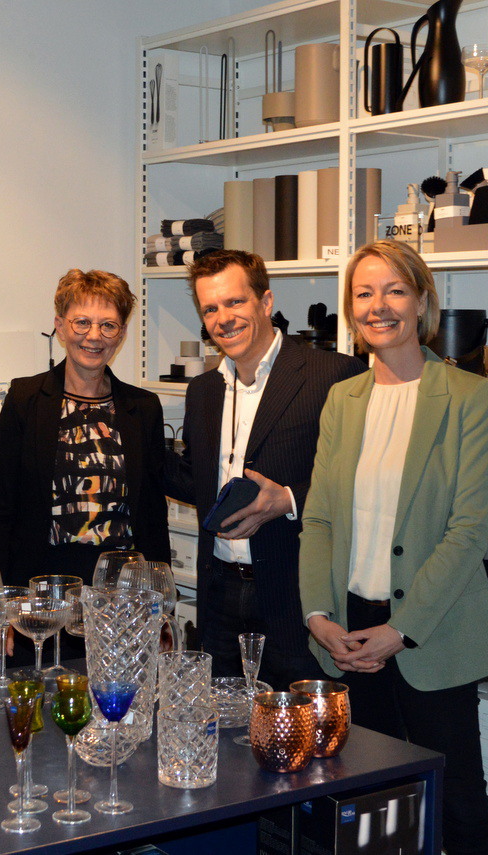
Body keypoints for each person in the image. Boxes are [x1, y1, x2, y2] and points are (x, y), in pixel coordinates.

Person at [299, 240, 488, 855]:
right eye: (364, 293)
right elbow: (319, 519)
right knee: (371, 812)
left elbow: (468, 531)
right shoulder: (343, 399)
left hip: (429, 632)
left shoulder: (468, 396)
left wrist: (402, 629)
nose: (379, 306)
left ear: (421, 303)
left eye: (394, 290)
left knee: (460, 807)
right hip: (349, 634)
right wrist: (319, 618)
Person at [165, 249, 364, 689]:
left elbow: (360, 479)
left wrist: (289, 500)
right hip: (219, 598)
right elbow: (199, 484)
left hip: (298, 597)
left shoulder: (333, 374)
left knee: (307, 729)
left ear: (266, 301)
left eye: (235, 302)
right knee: (227, 723)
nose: (223, 319)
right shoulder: (203, 390)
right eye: (210, 309)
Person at [0, 268, 170, 593]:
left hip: (122, 590)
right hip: (40, 585)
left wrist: (161, 594)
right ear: (60, 326)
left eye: (108, 325)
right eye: (82, 322)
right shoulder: (25, 399)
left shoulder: (143, 407)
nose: (94, 336)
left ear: (122, 333)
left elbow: (153, 514)